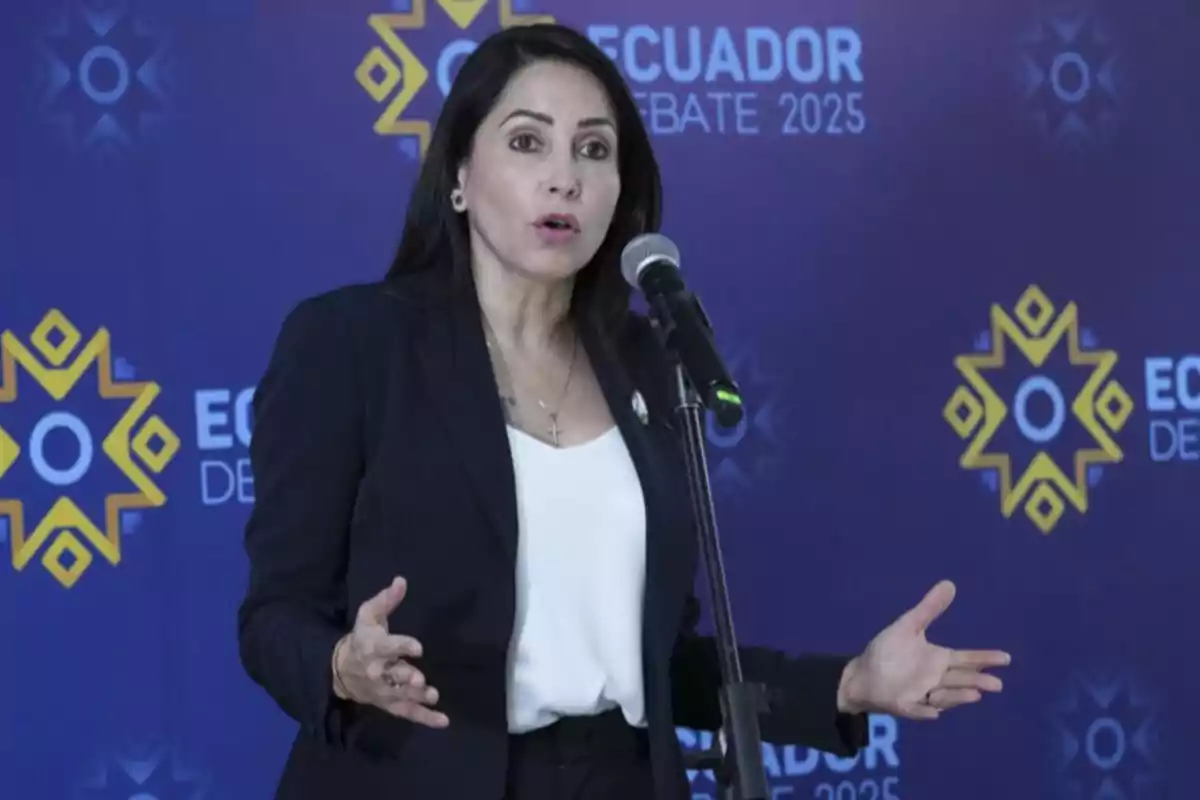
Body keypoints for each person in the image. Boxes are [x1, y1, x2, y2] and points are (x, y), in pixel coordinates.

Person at [236, 22, 1011, 800]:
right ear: (461, 177)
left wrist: (847, 685)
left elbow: (662, 661)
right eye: (528, 143)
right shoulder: (351, 344)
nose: (564, 178)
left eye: (594, 150)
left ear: (620, 194)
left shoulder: (647, 361)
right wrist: (342, 666)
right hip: (416, 775)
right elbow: (273, 617)